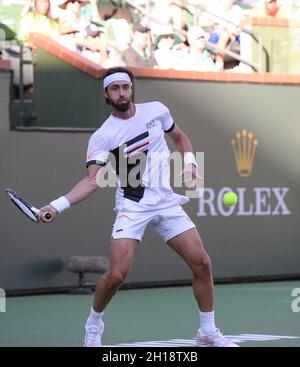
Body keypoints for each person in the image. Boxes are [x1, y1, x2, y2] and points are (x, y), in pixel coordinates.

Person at [38, 66, 238, 348]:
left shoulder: (156, 110)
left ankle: (207, 332)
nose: (121, 92)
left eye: (125, 87)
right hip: (133, 205)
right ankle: (93, 325)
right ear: (106, 94)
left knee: (201, 262)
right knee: (118, 273)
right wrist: (57, 205)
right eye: (115, 89)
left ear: (132, 89)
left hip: (166, 202)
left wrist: (191, 163)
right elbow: (91, 181)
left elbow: (180, 138)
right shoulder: (103, 136)